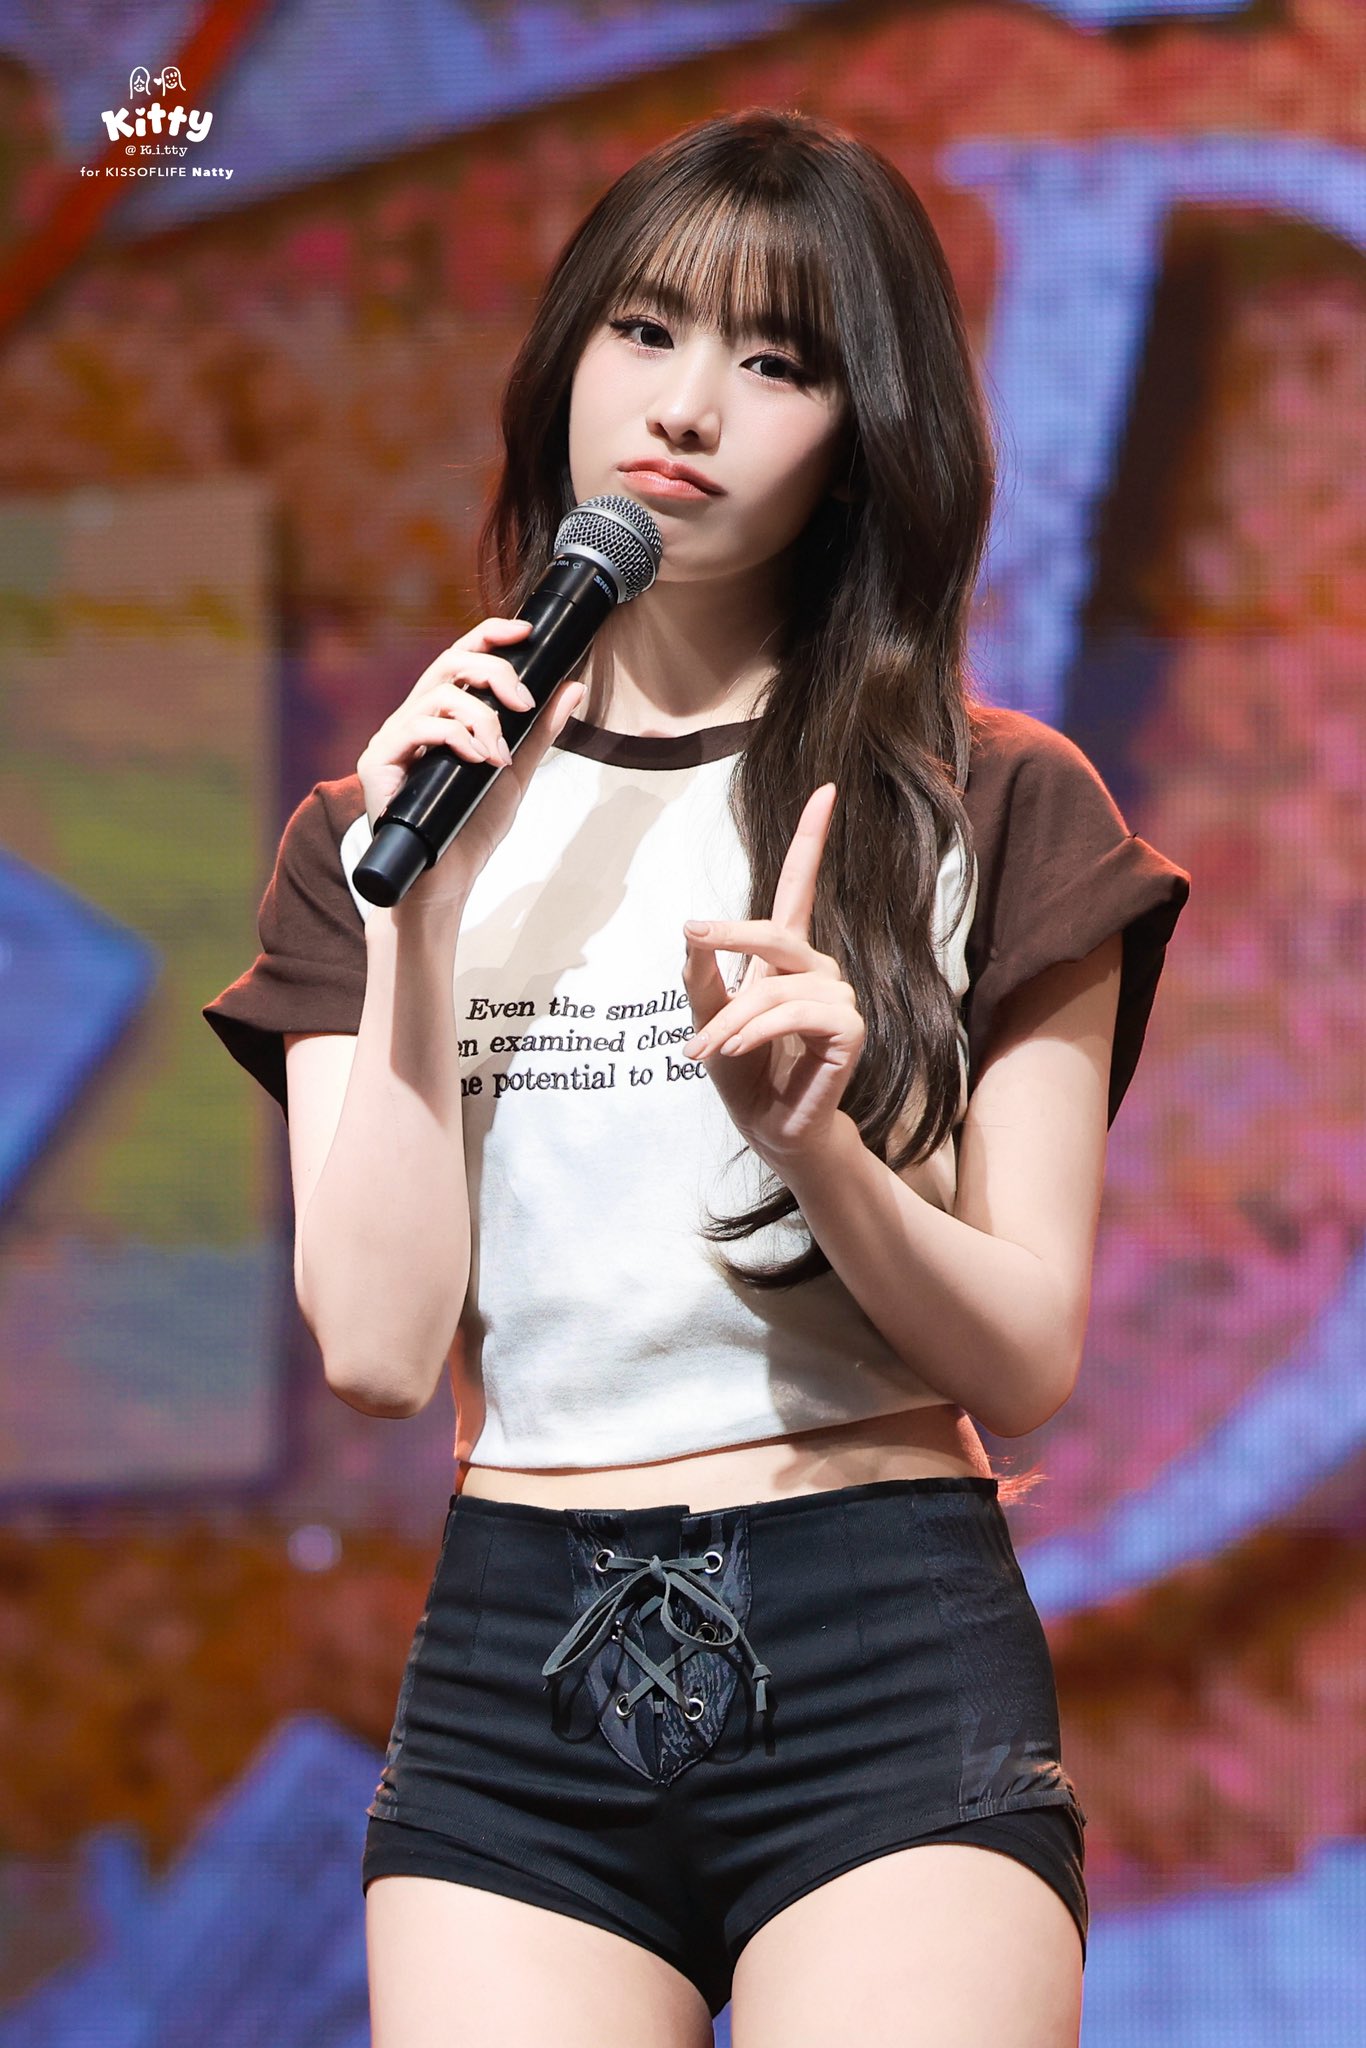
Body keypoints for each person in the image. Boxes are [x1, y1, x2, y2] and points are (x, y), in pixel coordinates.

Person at [204, 107, 1189, 2048]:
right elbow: (380, 1350)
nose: (685, 404)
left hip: (876, 1647)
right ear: (564, 358)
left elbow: (1022, 1357)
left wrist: (821, 1150)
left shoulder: (989, 800)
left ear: (860, 435)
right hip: (517, 1667)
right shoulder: (381, 830)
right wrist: (417, 918)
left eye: (774, 360)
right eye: (644, 331)